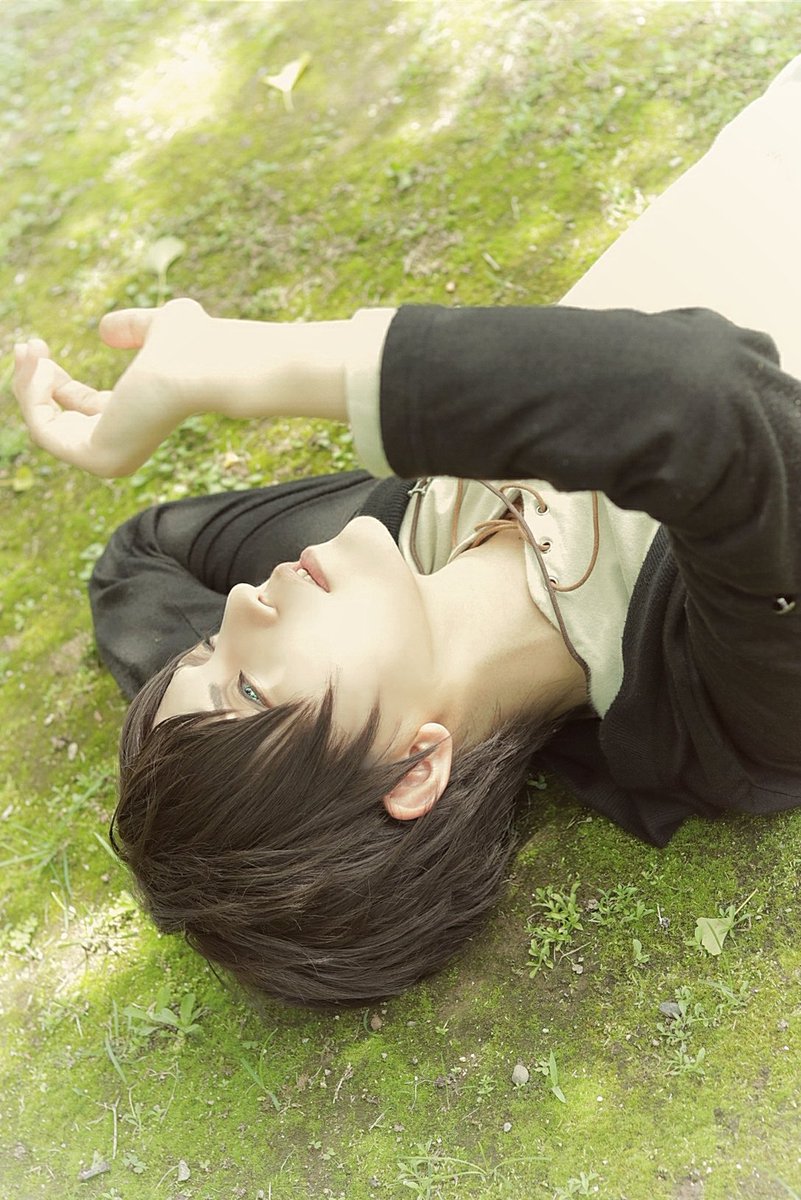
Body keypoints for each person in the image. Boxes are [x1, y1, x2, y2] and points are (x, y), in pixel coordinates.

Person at [13, 54, 801, 1009]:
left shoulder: (404, 533)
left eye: (210, 646)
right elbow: (707, 399)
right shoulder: (721, 713)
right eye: (250, 687)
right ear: (416, 767)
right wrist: (232, 365)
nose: (244, 602)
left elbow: (139, 558)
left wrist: (222, 781)